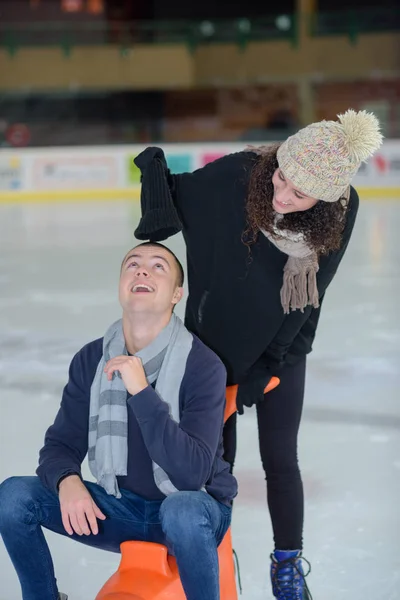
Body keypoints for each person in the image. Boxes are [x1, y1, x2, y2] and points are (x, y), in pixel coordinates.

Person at [132, 110, 383, 599]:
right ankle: (210, 558)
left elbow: (310, 297)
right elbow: (174, 197)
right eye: (282, 177)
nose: (282, 195)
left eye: (299, 193)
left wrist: (267, 367)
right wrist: (152, 166)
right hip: (211, 348)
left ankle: (287, 566)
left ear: (326, 199)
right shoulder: (241, 175)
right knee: (209, 462)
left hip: (283, 350)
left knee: (280, 459)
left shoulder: (341, 211)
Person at [0, 242, 237, 600]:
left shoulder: (203, 366)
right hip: (119, 507)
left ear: (177, 294)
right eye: (133, 264)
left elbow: (191, 475)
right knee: (14, 497)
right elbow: (60, 445)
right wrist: (67, 481)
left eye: (158, 266)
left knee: (181, 510)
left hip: (193, 514)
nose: (142, 270)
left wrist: (142, 392)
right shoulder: (92, 359)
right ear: (121, 285)